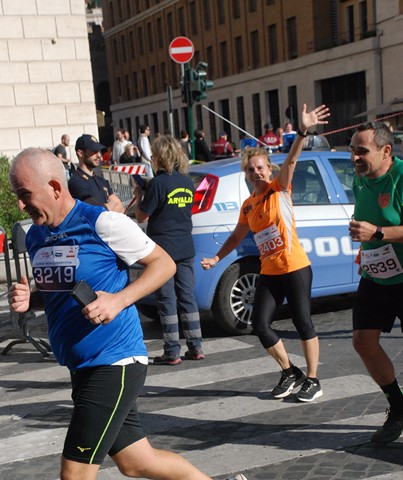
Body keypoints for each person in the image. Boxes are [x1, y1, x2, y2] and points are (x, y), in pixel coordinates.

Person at [8, 147, 251, 480]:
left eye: (24, 195)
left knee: (76, 475)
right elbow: (59, 285)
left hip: (115, 363)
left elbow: (161, 264)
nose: (20, 205)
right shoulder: (40, 235)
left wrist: (119, 300)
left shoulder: (103, 223)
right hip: (83, 366)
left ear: (54, 187)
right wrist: (31, 297)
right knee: (137, 462)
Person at [202, 103, 330, 402]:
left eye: (260, 167)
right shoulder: (248, 205)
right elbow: (237, 236)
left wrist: (302, 131)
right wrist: (217, 259)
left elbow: (293, 161)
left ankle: (313, 379)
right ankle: (289, 371)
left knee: (303, 323)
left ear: (268, 169)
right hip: (270, 271)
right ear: (246, 175)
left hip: (295, 267)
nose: (256, 172)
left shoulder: (279, 189)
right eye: (251, 169)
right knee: (260, 325)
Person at [348, 121, 403, 444]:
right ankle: (398, 406)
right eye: (353, 149)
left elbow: (379, 227)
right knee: (362, 340)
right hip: (375, 275)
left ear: (386, 151)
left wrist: (377, 233)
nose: (355, 156)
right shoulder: (361, 179)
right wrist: (366, 245)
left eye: (362, 151)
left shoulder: (401, 177)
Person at [134, 135, 204, 365]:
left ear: (160, 157)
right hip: (185, 246)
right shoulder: (186, 181)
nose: (152, 158)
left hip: (163, 250)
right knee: (187, 297)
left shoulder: (157, 184)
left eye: (154, 155)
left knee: (166, 299)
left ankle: (172, 350)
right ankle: (196, 346)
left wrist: (139, 196)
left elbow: (143, 215)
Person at [68, 134, 125, 213]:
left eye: (99, 151)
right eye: (94, 151)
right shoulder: (76, 182)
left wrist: (108, 206)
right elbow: (99, 212)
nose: (99, 155)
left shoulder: (102, 181)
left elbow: (121, 208)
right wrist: (112, 203)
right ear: (80, 153)